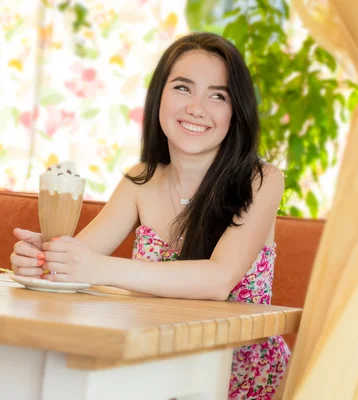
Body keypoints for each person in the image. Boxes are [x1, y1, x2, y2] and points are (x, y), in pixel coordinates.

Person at [10, 32, 290, 400]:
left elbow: (216, 281)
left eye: (217, 95)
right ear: (159, 96)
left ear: (235, 110)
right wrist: (40, 260)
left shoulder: (262, 180)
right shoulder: (138, 181)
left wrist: (95, 268)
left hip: (236, 377)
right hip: (152, 364)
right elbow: (72, 261)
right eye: (183, 88)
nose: (197, 108)